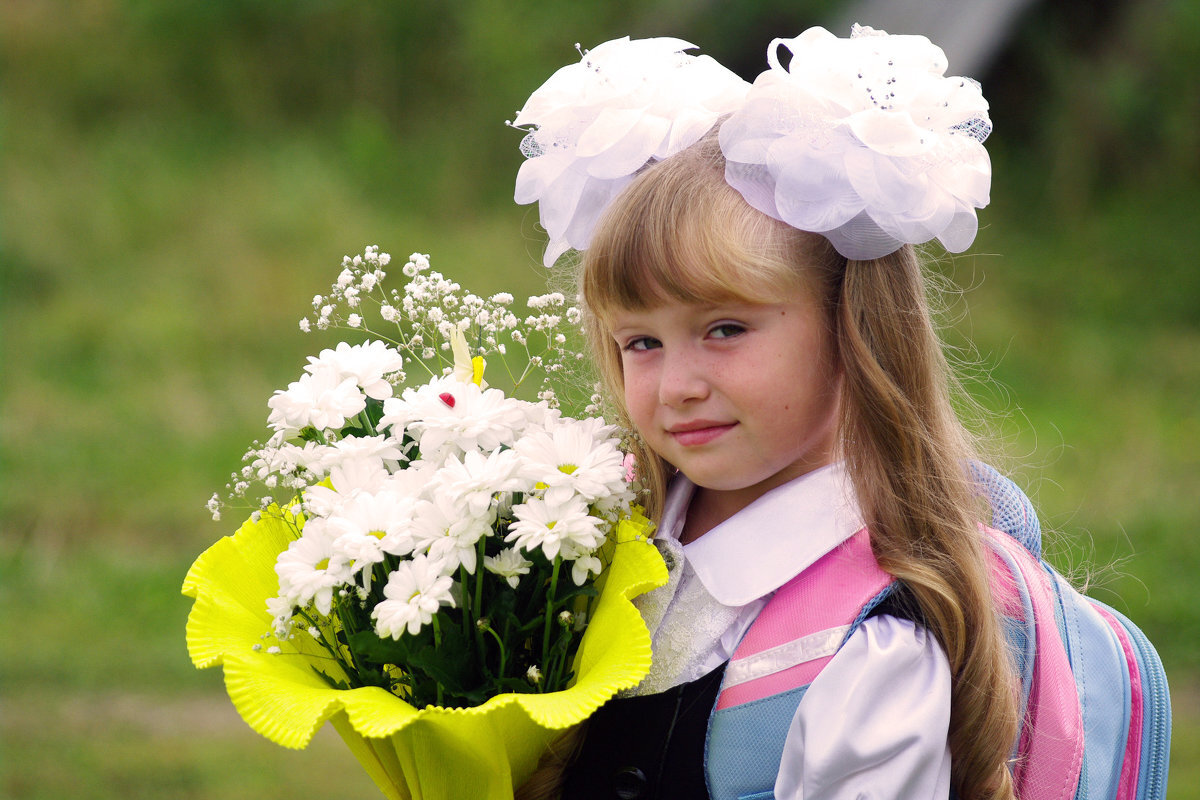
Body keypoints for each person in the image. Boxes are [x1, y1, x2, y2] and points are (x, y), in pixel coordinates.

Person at [513, 26, 1019, 800]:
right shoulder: (599, 541)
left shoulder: (870, 646)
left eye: (724, 329)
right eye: (641, 341)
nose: (676, 384)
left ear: (852, 326)